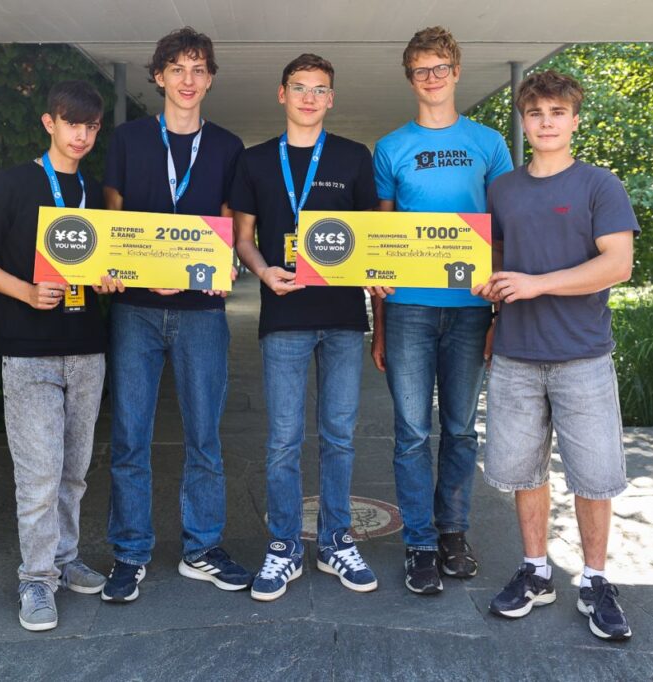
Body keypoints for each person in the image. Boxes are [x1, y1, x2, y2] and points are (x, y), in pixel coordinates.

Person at [474, 69, 638, 641]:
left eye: (557, 113)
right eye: (536, 113)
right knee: (525, 472)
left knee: (594, 476)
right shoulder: (503, 190)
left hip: (582, 354)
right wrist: (487, 282)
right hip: (516, 354)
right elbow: (492, 258)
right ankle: (536, 570)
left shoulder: (600, 185)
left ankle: (595, 580)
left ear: (574, 120)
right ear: (523, 121)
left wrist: (537, 284)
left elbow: (618, 265)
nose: (546, 122)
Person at [0, 81, 122, 631]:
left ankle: (64, 558)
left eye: (91, 126)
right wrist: (25, 291)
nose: (82, 135)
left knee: (74, 472)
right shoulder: (14, 183)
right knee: (39, 475)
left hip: (87, 349)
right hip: (29, 351)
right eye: (72, 123)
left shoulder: (95, 192)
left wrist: (109, 280)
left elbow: (103, 264)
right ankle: (35, 579)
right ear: (49, 123)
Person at [101, 27, 251, 603]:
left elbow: (230, 224)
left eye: (198, 70)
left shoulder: (228, 146)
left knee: (204, 436)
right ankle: (130, 552)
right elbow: (113, 220)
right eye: (177, 69)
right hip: (135, 310)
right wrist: (127, 269)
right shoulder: (128, 139)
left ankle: (202, 548)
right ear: (159, 76)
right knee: (129, 438)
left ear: (209, 80)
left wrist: (204, 271)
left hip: (201, 310)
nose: (188, 80)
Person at [232, 53, 382, 601]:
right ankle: (284, 545)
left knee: (339, 436)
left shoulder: (353, 156)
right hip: (284, 316)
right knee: (283, 440)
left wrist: (379, 277)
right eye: (300, 87)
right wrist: (262, 271)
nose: (310, 97)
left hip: (342, 317)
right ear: (282, 94)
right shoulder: (254, 161)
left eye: (320, 89)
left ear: (331, 98)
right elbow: (242, 237)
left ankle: (336, 540)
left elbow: (372, 234)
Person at [372, 26, 512, 594]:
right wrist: (378, 326)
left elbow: (505, 232)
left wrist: (501, 315)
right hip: (408, 308)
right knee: (410, 432)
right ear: (410, 79)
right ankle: (419, 542)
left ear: (456, 73)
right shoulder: (391, 147)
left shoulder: (489, 143)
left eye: (440, 68)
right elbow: (380, 241)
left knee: (459, 429)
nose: (431, 78)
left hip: (472, 308)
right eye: (420, 70)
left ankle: (453, 532)